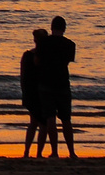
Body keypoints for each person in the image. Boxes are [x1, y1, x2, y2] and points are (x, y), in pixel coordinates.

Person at [40, 15, 78, 158]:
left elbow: (38, 61)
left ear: (51, 27)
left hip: (46, 82)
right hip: (62, 82)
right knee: (66, 119)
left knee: (50, 118)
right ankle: (71, 152)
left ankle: (54, 151)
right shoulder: (70, 45)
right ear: (64, 28)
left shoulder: (44, 43)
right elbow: (67, 62)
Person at [20, 28, 57, 157]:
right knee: (42, 124)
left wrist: (24, 93)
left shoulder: (27, 55)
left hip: (31, 93)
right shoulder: (46, 57)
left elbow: (23, 76)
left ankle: (27, 152)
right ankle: (38, 153)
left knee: (34, 123)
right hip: (41, 92)